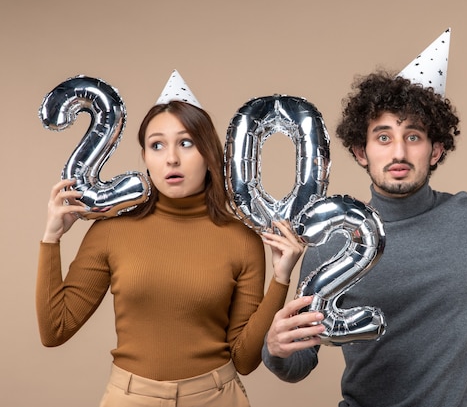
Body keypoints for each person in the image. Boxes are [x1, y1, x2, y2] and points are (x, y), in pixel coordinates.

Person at [261, 70, 467, 407]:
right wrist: (275, 349)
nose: (399, 153)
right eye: (383, 137)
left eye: (413, 137)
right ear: (361, 152)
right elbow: (299, 364)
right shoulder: (333, 242)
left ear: (435, 150)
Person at [36, 71, 304, 407]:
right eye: (157, 145)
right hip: (131, 399)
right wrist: (51, 239)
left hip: (217, 397)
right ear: (146, 158)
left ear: (208, 154)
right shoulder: (110, 232)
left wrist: (281, 278)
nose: (171, 158)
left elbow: (245, 359)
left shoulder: (242, 239)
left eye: (186, 142)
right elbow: (55, 330)